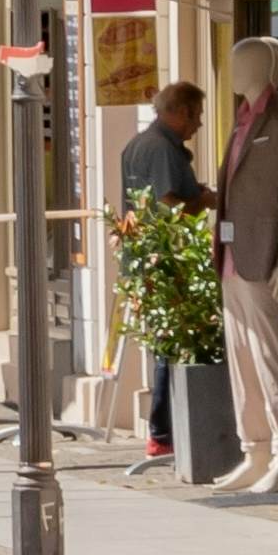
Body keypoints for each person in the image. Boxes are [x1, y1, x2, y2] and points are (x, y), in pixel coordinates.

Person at [214, 40, 278, 498]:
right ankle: (254, 450)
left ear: (264, 65)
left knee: (274, 358)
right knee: (243, 361)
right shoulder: (243, 118)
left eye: (241, 61)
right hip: (235, 259)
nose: (232, 69)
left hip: (265, 258)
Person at [114, 81, 210, 475]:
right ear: (179, 112)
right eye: (197, 115)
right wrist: (204, 201)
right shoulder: (161, 149)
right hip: (164, 260)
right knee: (169, 347)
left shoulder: (140, 143)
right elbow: (169, 205)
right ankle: (163, 432)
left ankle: (163, 430)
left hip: (145, 260)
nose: (200, 124)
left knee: (163, 345)